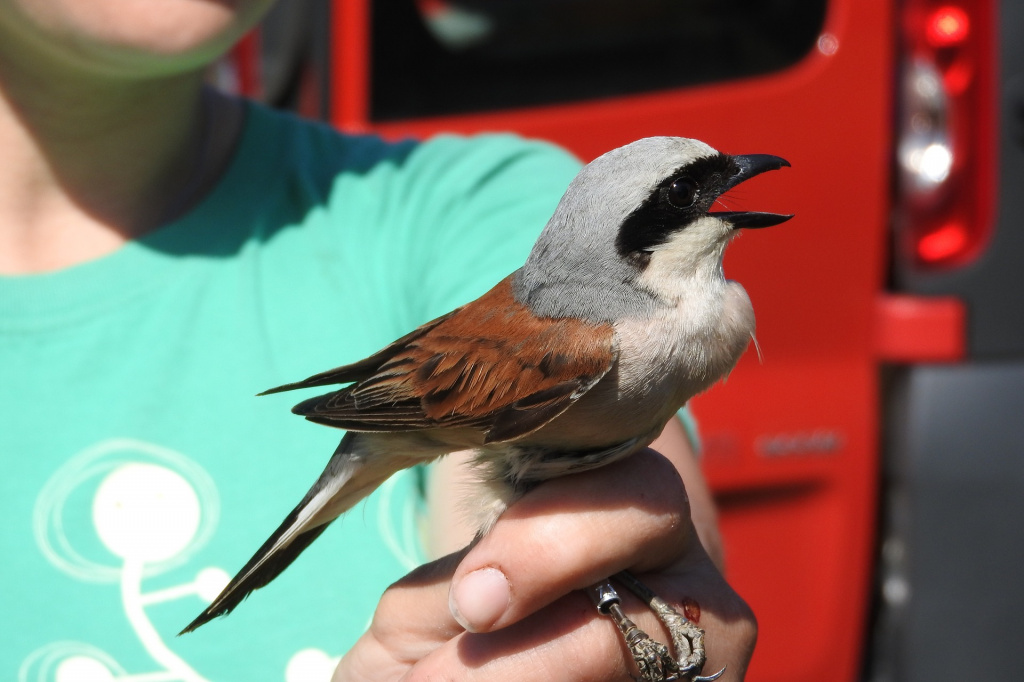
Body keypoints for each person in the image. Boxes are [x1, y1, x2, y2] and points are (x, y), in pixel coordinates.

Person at [0, 1, 756, 680]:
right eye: (690, 196)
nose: (735, 185)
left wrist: (642, 596)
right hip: (418, 406)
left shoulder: (476, 204)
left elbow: (624, 527)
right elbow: (467, 409)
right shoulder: (580, 343)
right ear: (640, 238)